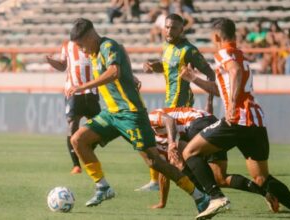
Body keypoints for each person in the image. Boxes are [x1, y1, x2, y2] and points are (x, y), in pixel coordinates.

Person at [179, 18, 290, 220]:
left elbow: (234, 72)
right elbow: (222, 90)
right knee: (261, 178)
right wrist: (194, 79)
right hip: (255, 121)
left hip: (238, 119)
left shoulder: (224, 53)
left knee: (190, 151)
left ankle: (215, 197)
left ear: (216, 36)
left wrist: (233, 103)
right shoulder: (240, 54)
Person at [66, 18, 209, 212]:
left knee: (154, 161)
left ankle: (199, 196)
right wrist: (130, 74)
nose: (82, 50)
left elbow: (114, 71)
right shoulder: (95, 52)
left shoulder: (108, 46)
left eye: (82, 45)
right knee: (78, 140)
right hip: (111, 114)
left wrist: (82, 86)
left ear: (91, 36)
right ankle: (103, 187)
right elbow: (121, 61)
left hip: (131, 114)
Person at [148, 107, 279, 213]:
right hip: (211, 123)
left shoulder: (149, 118)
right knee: (219, 178)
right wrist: (162, 202)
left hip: (197, 123)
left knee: (186, 158)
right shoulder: (154, 143)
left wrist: (171, 143)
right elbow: (165, 171)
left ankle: (213, 198)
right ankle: (266, 193)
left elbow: (169, 120)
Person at [140, 13, 215, 192]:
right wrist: (152, 66)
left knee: (166, 145)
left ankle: (203, 184)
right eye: (167, 27)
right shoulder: (166, 46)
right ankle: (160, 183)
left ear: (182, 29)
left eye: (173, 27)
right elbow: (166, 66)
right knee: (164, 146)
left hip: (182, 107)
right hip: (168, 102)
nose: (169, 30)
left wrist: (209, 102)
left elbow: (210, 73)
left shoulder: (189, 50)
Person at [46, 40, 101, 175]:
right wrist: (51, 61)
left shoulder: (94, 44)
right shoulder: (66, 45)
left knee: (100, 128)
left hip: (92, 91)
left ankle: (84, 151)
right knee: (72, 124)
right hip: (73, 92)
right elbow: (62, 66)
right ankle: (76, 165)